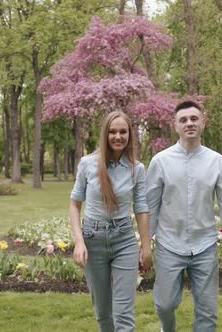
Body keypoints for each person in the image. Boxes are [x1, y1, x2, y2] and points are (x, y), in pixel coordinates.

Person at [146, 100, 222, 332]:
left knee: (207, 312)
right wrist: (145, 244)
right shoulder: (160, 161)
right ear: (175, 125)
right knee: (165, 304)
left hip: (204, 245)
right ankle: (168, 328)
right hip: (169, 245)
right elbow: (150, 204)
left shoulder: (217, 161)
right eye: (183, 120)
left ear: (202, 122)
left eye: (194, 119)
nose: (189, 123)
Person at [69, 111, 152, 332]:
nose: (118, 136)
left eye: (123, 131)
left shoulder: (137, 169)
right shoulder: (87, 164)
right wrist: (79, 242)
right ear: (105, 135)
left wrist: (146, 246)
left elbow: (141, 208)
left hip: (123, 240)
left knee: (124, 315)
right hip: (93, 240)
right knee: (103, 313)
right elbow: (74, 205)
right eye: (112, 132)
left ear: (130, 135)